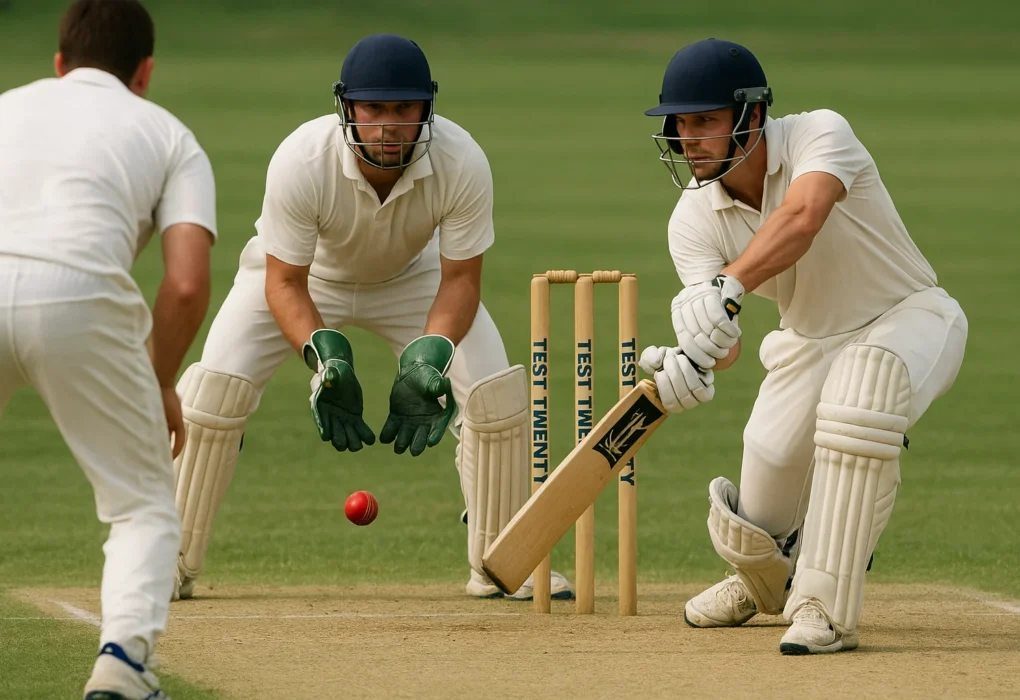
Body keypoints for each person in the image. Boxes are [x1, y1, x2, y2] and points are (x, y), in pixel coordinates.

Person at [169, 33, 573, 603]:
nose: (388, 125)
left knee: (492, 394)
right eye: (374, 109)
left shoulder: (461, 161)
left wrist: (430, 354)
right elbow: (283, 282)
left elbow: (460, 280)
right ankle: (169, 560)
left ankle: (506, 560)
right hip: (305, 277)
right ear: (347, 108)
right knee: (214, 394)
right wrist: (324, 354)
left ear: (426, 109)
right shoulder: (302, 159)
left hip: (413, 278)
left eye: (403, 109)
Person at [638, 38, 967, 654]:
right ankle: (763, 580)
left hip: (909, 317)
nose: (688, 139)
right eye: (679, 124)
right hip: (807, 342)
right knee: (765, 464)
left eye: (704, 121)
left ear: (752, 116)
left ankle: (824, 607)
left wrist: (728, 285)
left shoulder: (820, 132)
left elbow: (803, 217)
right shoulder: (690, 218)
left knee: (859, 400)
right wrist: (696, 359)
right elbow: (725, 338)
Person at [0, 0, 216, 696]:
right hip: (81, 299)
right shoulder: (170, 135)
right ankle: (121, 667)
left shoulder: (7, 107)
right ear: (144, 72)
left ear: (59, 64)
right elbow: (185, 285)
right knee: (143, 505)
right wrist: (157, 381)